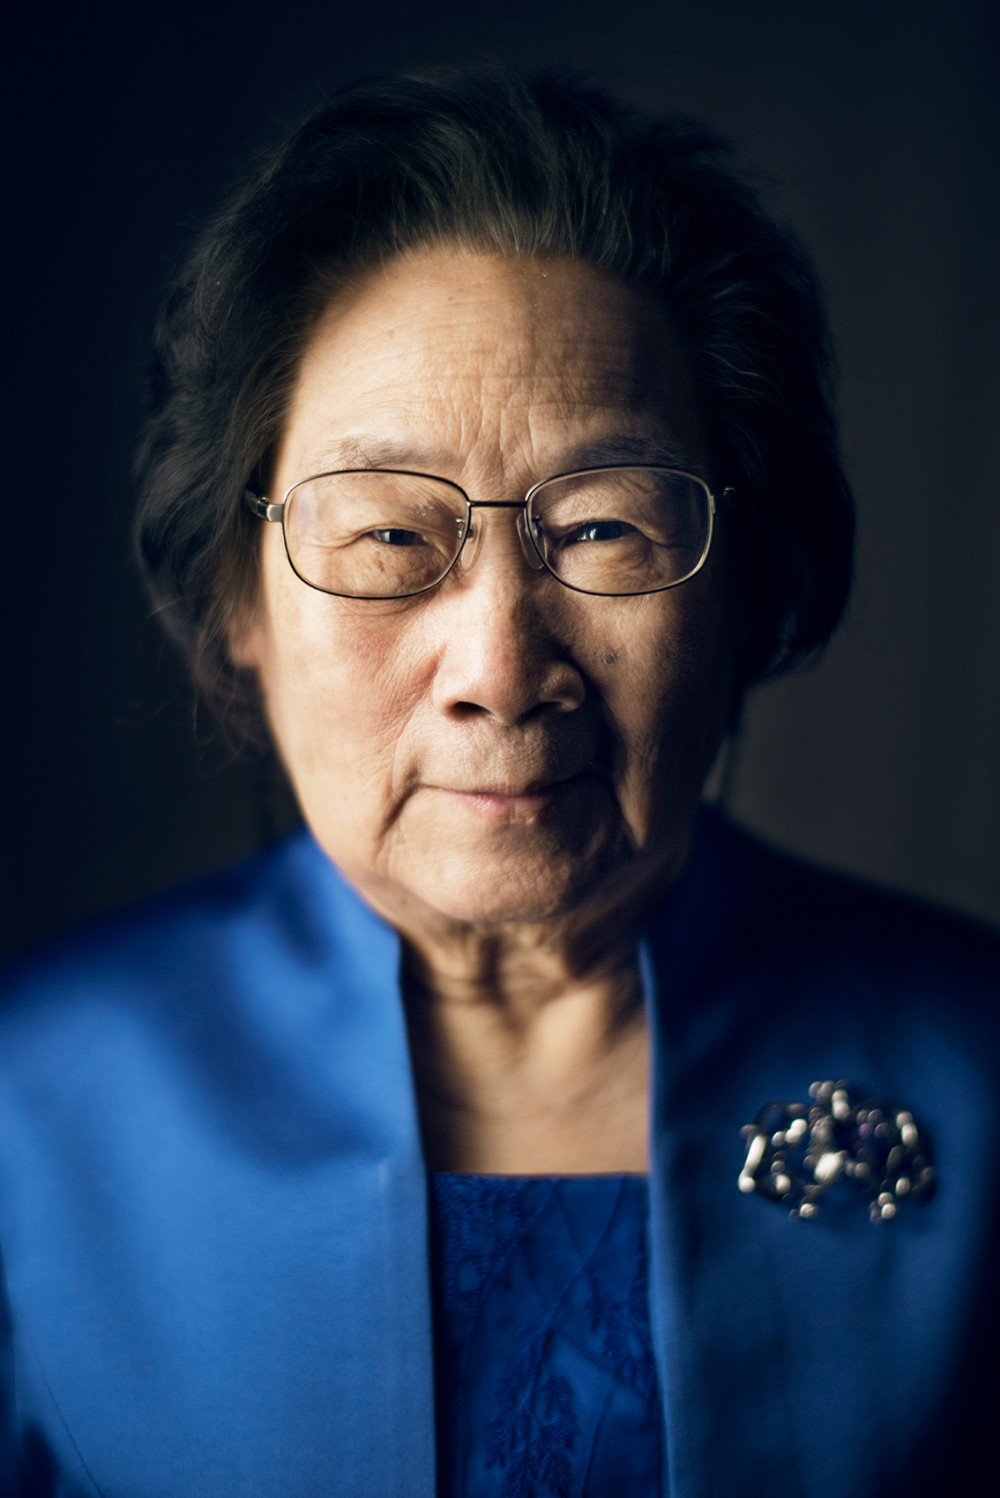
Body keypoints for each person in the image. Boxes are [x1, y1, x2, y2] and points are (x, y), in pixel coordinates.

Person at [1, 66, 997, 1498]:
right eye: (394, 539)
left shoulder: (978, 1071)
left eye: (600, 527)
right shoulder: (30, 1116)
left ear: (741, 590)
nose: (501, 662)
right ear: (240, 599)